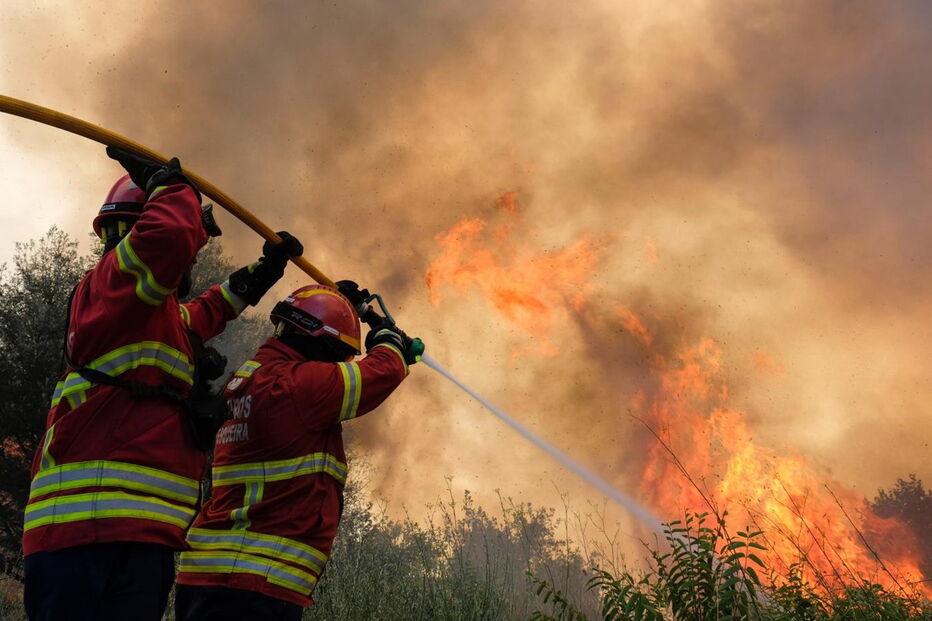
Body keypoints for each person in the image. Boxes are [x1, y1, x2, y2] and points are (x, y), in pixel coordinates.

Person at [22, 147, 303, 621]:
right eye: (196, 242)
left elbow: (209, 310)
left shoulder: (149, 314)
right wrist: (170, 187)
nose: (194, 252)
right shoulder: (112, 287)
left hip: (139, 533)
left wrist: (263, 272)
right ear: (135, 233)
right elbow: (171, 233)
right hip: (84, 530)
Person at [173, 282, 424, 620]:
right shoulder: (296, 386)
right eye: (338, 354)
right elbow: (381, 372)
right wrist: (390, 341)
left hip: (214, 574)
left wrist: (338, 308)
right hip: (252, 582)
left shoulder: (249, 380)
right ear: (316, 342)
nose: (339, 363)